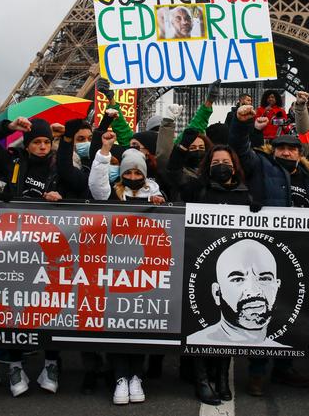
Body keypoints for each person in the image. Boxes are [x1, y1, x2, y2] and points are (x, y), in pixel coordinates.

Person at [230, 101, 309, 396]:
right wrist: (243, 125)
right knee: (264, 308)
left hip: (300, 252)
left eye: (291, 148)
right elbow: (240, 149)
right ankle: (257, 371)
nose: (286, 152)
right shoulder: (261, 164)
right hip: (265, 253)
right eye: (280, 147)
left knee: (291, 311)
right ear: (273, 150)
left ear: (299, 152)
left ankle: (283, 367)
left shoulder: (308, 177)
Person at [0, 116, 64, 396]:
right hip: (15, 248)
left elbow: (79, 189)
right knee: (14, 305)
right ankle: (14, 364)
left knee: (52, 306)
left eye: (46, 142)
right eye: (36, 142)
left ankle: (51, 362)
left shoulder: (59, 166)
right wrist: (7, 127)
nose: (41, 146)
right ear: (26, 146)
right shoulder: (13, 163)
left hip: (49, 246)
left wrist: (59, 197)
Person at [90, 132, 165, 405]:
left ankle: (136, 375)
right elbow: (96, 183)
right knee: (117, 325)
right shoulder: (111, 193)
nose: (133, 175)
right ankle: (121, 376)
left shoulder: (155, 193)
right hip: (115, 267)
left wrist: (162, 206)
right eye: (128, 171)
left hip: (145, 269)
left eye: (137, 171)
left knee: (139, 326)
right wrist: (104, 151)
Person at [175, 144, 250, 405]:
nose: (221, 165)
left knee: (228, 322)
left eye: (226, 161)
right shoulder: (198, 189)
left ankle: (220, 377)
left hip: (231, 271)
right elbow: (173, 172)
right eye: (216, 161)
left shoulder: (246, 194)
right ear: (208, 165)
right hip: (201, 267)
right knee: (200, 322)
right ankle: (202, 379)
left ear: (234, 165)